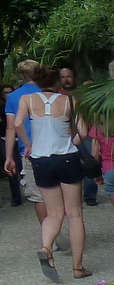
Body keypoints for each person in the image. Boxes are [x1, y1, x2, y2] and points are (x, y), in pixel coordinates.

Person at [15, 66, 91, 280]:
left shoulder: (27, 100)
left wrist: (29, 144)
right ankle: (77, 268)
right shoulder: (68, 101)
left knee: (54, 213)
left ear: (37, 81)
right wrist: (71, 143)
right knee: (74, 213)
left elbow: (18, 123)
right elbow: (83, 131)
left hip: (41, 160)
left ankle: (47, 248)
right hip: (67, 158)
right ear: (58, 82)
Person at [5, 62, 51, 236]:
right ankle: (57, 225)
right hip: (54, 148)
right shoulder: (49, 93)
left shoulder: (14, 97)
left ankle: (48, 234)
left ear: (21, 76)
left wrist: (9, 156)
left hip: (29, 151)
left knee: (38, 195)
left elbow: (11, 128)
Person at [62, 66, 98, 207]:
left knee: (89, 162)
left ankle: (90, 195)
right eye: (63, 77)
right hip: (65, 135)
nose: (66, 79)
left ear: (74, 78)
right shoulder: (57, 96)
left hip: (86, 133)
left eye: (69, 76)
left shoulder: (83, 94)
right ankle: (72, 196)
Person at [0, 84, 22, 206]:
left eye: (10, 92)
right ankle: (16, 197)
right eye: (6, 92)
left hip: (20, 140)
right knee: (11, 169)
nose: (8, 95)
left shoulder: (19, 106)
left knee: (22, 167)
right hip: (5, 140)